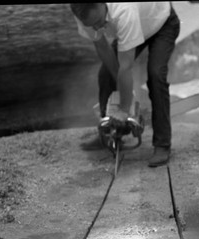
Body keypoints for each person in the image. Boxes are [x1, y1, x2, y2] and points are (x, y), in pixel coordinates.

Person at [70, 2, 180, 167]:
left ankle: (162, 144)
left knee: (156, 75)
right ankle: (110, 133)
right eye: (91, 25)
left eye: (99, 21)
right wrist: (122, 96)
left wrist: (123, 108)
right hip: (137, 24)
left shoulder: (124, 9)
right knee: (106, 74)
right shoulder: (81, 11)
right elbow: (102, 47)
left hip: (161, 23)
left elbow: (126, 66)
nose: (97, 27)